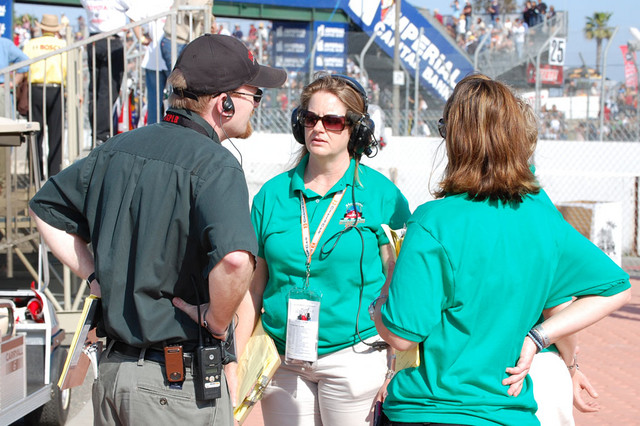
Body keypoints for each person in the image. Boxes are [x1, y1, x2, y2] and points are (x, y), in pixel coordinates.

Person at [28, 34, 287, 425]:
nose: (255, 105)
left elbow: (45, 208)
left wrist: (94, 274)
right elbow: (235, 262)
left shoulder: (116, 148)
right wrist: (217, 321)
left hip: (113, 375)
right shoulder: (217, 165)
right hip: (173, 388)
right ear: (225, 102)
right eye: (254, 94)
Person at [371, 74, 631, 426]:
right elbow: (616, 288)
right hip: (509, 411)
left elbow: (401, 336)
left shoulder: (434, 221)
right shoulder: (540, 215)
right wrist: (540, 338)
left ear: (458, 139)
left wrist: (379, 304)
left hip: (431, 407)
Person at [235, 73, 411, 426]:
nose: (319, 128)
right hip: (284, 357)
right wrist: (236, 360)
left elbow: (399, 280)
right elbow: (253, 287)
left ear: (356, 130)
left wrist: (395, 363)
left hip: (355, 355)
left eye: (332, 121)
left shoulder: (382, 195)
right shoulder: (271, 194)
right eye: (309, 118)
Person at [81, 0, 135, 144]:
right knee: (108, 90)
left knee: (95, 90)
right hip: (111, 41)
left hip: (94, 40)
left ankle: (97, 133)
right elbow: (134, 8)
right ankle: (102, 134)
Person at [22, 14, 67, 177]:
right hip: (56, 89)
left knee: (34, 133)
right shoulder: (62, 44)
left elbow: (24, 67)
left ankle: (36, 175)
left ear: (41, 27)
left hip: (35, 88)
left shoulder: (31, 44)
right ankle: (55, 174)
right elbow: (67, 69)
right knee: (56, 134)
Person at [160, 0, 213, 72]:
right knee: (180, 79)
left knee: (176, 78)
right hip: (179, 40)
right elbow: (194, 11)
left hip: (174, 39)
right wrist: (209, 18)